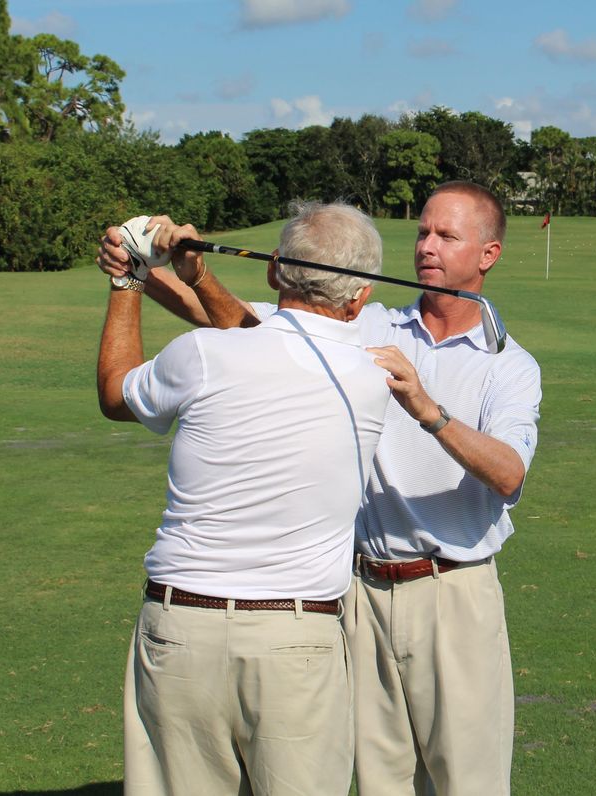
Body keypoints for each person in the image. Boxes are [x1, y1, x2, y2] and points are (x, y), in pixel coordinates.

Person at [99, 182, 542, 795]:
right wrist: (146, 270)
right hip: (356, 589)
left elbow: (509, 473)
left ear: (488, 253)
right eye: (421, 232)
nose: (426, 247)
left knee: (467, 780)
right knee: (378, 781)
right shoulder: (369, 322)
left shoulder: (508, 364)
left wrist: (427, 409)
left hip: (452, 590)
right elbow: (250, 328)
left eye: (446, 235)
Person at [96, 201, 392, 796]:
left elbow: (115, 393)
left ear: (273, 270)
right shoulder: (370, 378)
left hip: (180, 629)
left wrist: (131, 280)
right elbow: (271, 344)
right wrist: (195, 276)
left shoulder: (200, 354)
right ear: (358, 298)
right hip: (296, 640)